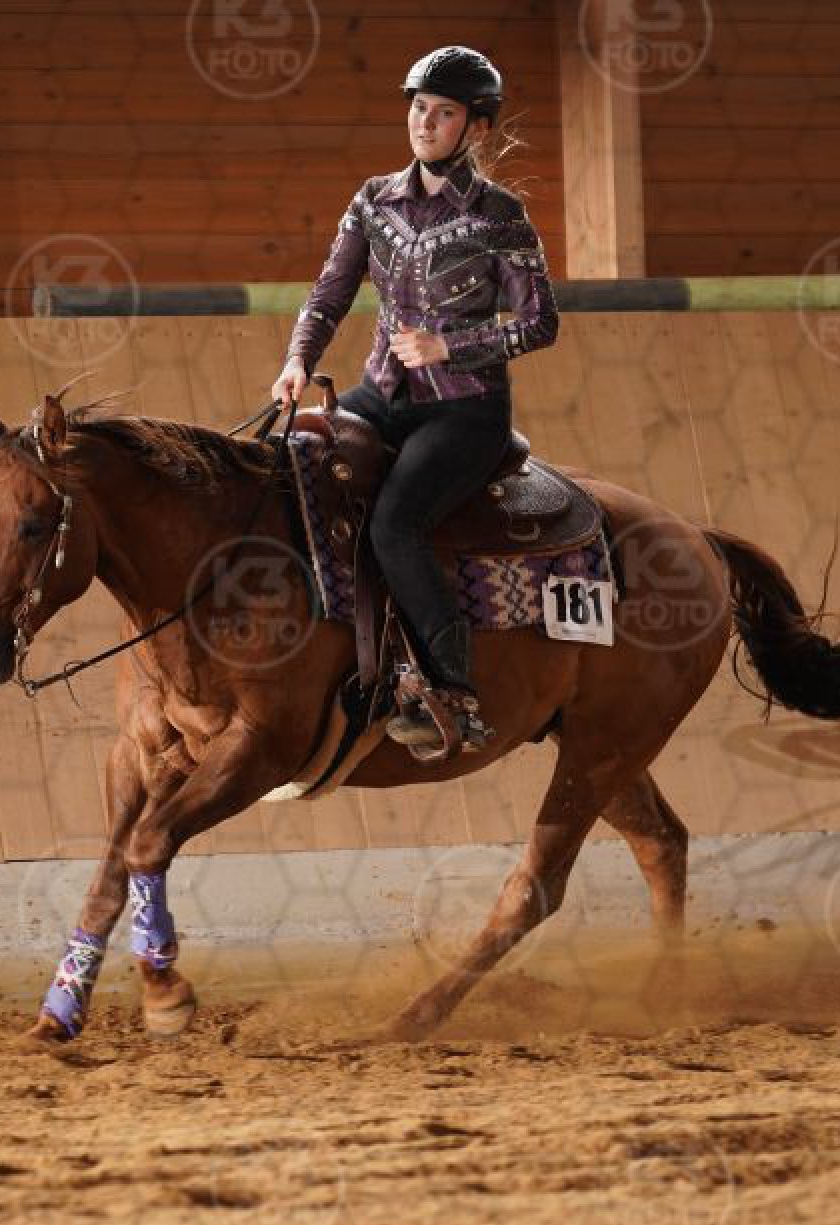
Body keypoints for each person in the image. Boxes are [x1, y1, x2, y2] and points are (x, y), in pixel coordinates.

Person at [270, 45, 559, 757]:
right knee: (283, 464)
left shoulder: (501, 216)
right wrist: (298, 360)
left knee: (396, 523)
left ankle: (452, 689)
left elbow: (539, 323)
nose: (424, 123)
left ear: (477, 128)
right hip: (381, 396)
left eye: (444, 112)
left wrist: (448, 347)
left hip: (465, 411)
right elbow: (330, 292)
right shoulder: (373, 200)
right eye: (419, 107)